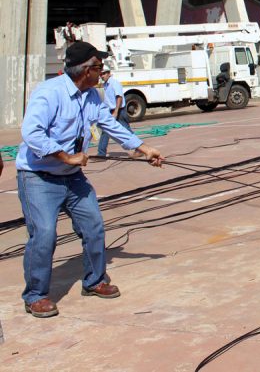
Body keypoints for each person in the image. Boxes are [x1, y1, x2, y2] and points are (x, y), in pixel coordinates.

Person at [15, 40, 165, 318]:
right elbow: (32, 133)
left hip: (72, 179)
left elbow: (109, 124)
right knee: (45, 234)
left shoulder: (93, 96)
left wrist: (144, 149)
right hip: (38, 177)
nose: (103, 72)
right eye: (99, 67)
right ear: (86, 70)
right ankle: (35, 295)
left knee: (94, 225)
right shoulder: (49, 93)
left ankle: (95, 281)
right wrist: (67, 157)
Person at [97, 66, 133, 157]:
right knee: (105, 130)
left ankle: (139, 148)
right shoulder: (105, 84)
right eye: (101, 74)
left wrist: (116, 111)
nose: (102, 76)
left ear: (109, 73)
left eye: (104, 73)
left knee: (126, 130)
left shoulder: (114, 83)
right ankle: (101, 153)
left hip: (119, 111)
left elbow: (119, 97)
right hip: (110, 110)